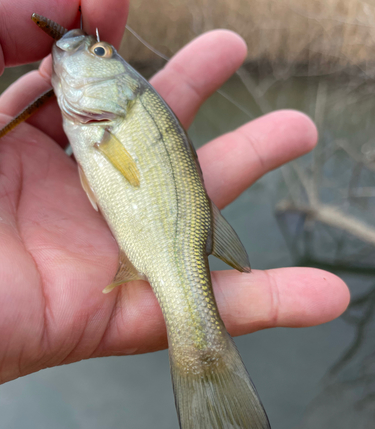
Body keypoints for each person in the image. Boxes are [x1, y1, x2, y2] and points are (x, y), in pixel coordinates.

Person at [0, 0, 350, 384]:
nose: (90, 49)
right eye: (100, 51)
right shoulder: (99, 122)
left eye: (99, 51)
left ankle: (201, 352)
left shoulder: (111, 117)